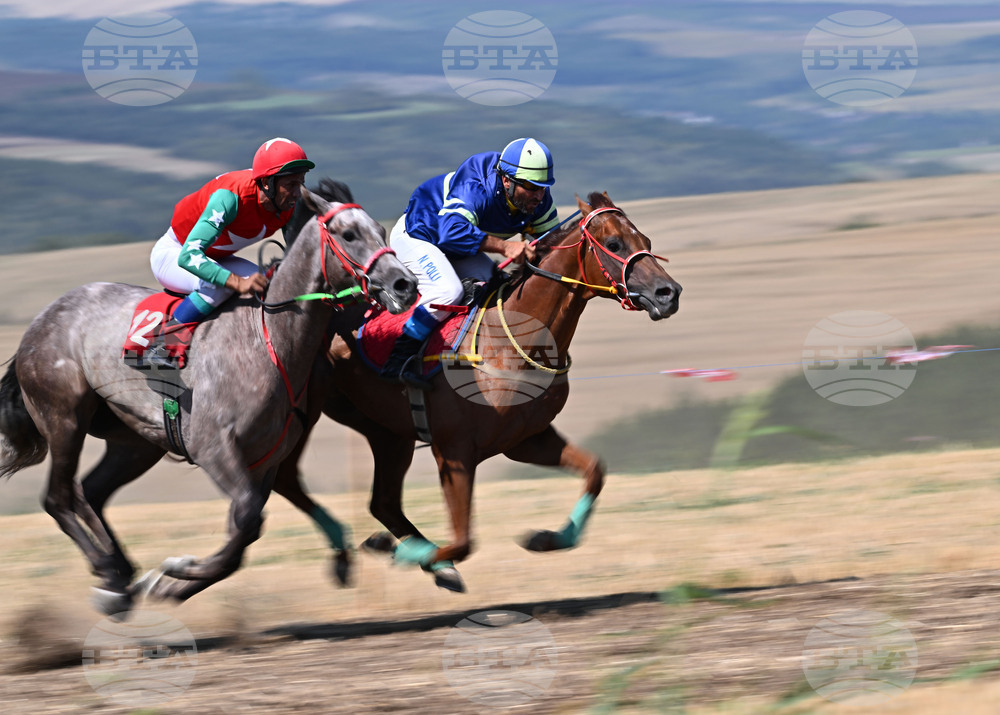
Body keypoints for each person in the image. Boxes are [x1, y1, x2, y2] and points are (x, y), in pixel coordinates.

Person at [381, 137, 560, 387]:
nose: (539, 195)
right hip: (419, 235)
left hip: (459, 248)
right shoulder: (477, 184)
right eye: (531, 187)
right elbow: (451, 231)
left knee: (500, 290)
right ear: (506, 180)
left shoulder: (538, 199)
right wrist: (507, 246)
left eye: (543, 187)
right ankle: (398, 361)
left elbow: (554, 245)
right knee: (448, 291)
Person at [143, 137, 315, 367]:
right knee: (220, 285)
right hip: (174, 253)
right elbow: (188, 256)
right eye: (291, 184)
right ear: (267, 183)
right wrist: (235, 281)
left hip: (217, 256)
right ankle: (162, 345)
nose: (298, 192)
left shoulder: (287, 203)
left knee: (270, 285)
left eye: (301, 182)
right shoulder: (229, 198)